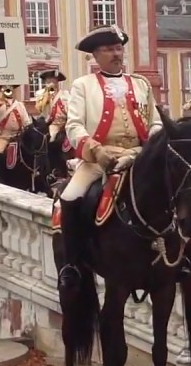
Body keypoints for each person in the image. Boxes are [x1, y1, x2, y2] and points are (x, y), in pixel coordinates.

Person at [56, 25, 162, 289]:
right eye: (108, 50)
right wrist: (96, 150)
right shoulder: (83, 85)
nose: (116, 54)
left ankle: (179, 257)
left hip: (139, 155)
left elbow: (156, 122)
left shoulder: (141, 84)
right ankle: (73, 262)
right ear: (95, 55)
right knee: (70, 198)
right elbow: (74, 126)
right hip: (99, 157)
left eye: (118, 48)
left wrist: (150, 147)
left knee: (176, 189)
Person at [0, 85, 28, 162]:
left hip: (18, 136)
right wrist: (0, 101)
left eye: (10, 89)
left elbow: (26, 121)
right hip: (2, 137)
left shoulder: (19, 105)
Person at [34, 69, 68, 140]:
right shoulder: (41, 94)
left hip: (62, 123)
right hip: (49, 123)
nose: (51, 83)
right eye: (48, 81)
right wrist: (47, 96)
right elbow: (39, 109)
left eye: (53, 81)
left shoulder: (65, 95)